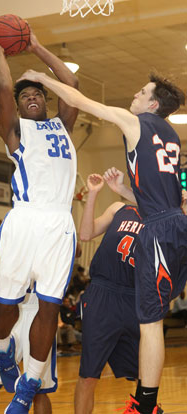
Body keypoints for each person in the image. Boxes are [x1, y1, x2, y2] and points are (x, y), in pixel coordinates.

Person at [19, 68, 187, 414]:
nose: (135, 95)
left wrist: (43, 78)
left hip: (160, 228)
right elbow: (163, 197)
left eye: (142, 91)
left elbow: (80, 101)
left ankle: (145, 405)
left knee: (152, 322)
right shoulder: (171, 136)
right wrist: (126, 191)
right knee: (152, 319)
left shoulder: (136, 122)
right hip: (172, 226)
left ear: (153, 104)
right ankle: (146, 403)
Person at [0, 23, 78, 413]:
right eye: (28, 96)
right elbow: (4, 90)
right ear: (21, 108)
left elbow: (70, 82)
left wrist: (37, 48)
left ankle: (28, 385)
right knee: (6, 306)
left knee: (50, 306)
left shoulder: (63, 125)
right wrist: (1, 55)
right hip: (24, 221)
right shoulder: (15, 132)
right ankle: (4, 349)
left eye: (39, 93)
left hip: (59, 222)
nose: (34, 97)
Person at [74, 172, 143, 414]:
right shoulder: (118, 208)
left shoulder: (161, 217)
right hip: (103, 294)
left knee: (144, 376)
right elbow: (85, 234)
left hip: (137, 299)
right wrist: (93, 194)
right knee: (89, 373)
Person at [0, 243, 56, 414]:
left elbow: (77, 250)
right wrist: (5, 237)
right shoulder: (14, 223)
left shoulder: (54, 224)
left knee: (39, 390)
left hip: (39, 310)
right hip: (11, 308)